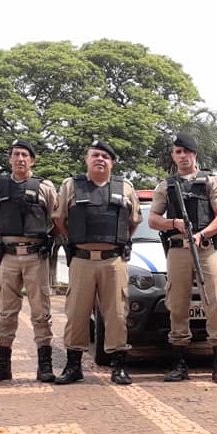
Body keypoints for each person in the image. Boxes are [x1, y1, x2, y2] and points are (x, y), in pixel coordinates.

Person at [53, 139, 141, 385]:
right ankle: (73, 366)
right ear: (87, 159)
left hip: (113, 261)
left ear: (112, 162)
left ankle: (118, 367)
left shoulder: (124, 187)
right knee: (76, 313)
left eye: (105, 156)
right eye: (95, 155)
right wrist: (75, 240)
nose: (100, 159)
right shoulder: (71, 186)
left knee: (117, 313)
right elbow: (59, 219)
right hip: (82, 260)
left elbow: (133, 221)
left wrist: (118, 241)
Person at [148, 132, 217, 384]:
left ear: (195, 154)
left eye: (187, 151)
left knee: (214, 301)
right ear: (173, 156)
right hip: (177, 249)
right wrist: (172, 223)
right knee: (177, 304)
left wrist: (202, 234)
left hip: (204, 248)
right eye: (178, 152)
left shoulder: (211, 181)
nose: (182, 156)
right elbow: (152, 219)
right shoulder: (166, 185)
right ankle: (179, 363)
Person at [0, 139, 59, 383]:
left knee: (41, 311)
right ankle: (2, 365)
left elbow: (57, 220)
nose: (20, 159)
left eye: (25, 155)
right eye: (15, 154)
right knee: (6, 312)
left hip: (36, 256)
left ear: (32, 160)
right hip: (10, 256)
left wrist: (49, 241)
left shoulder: (45, 187)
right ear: (10, 159)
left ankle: (44, 366)